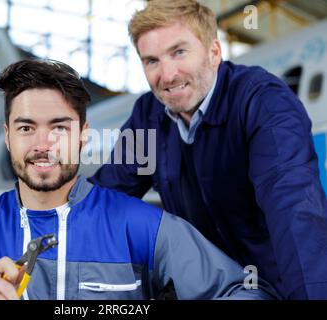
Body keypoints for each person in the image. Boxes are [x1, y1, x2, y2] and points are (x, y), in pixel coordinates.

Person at [0, 58, 278, 300]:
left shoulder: (140, 226)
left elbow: (245, 291)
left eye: (59, 127)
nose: (43, 144)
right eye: (26, 128)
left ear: (83, 136)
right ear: (8, 136)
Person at [89, 0, 327, 300]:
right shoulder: (149, 116)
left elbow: (294, 212)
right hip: (205, 288)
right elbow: (106, 199)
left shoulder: (263, 102)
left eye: (179, 52)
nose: (167, 74)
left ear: (214, 52)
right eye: (151, 61)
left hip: (275, 288)